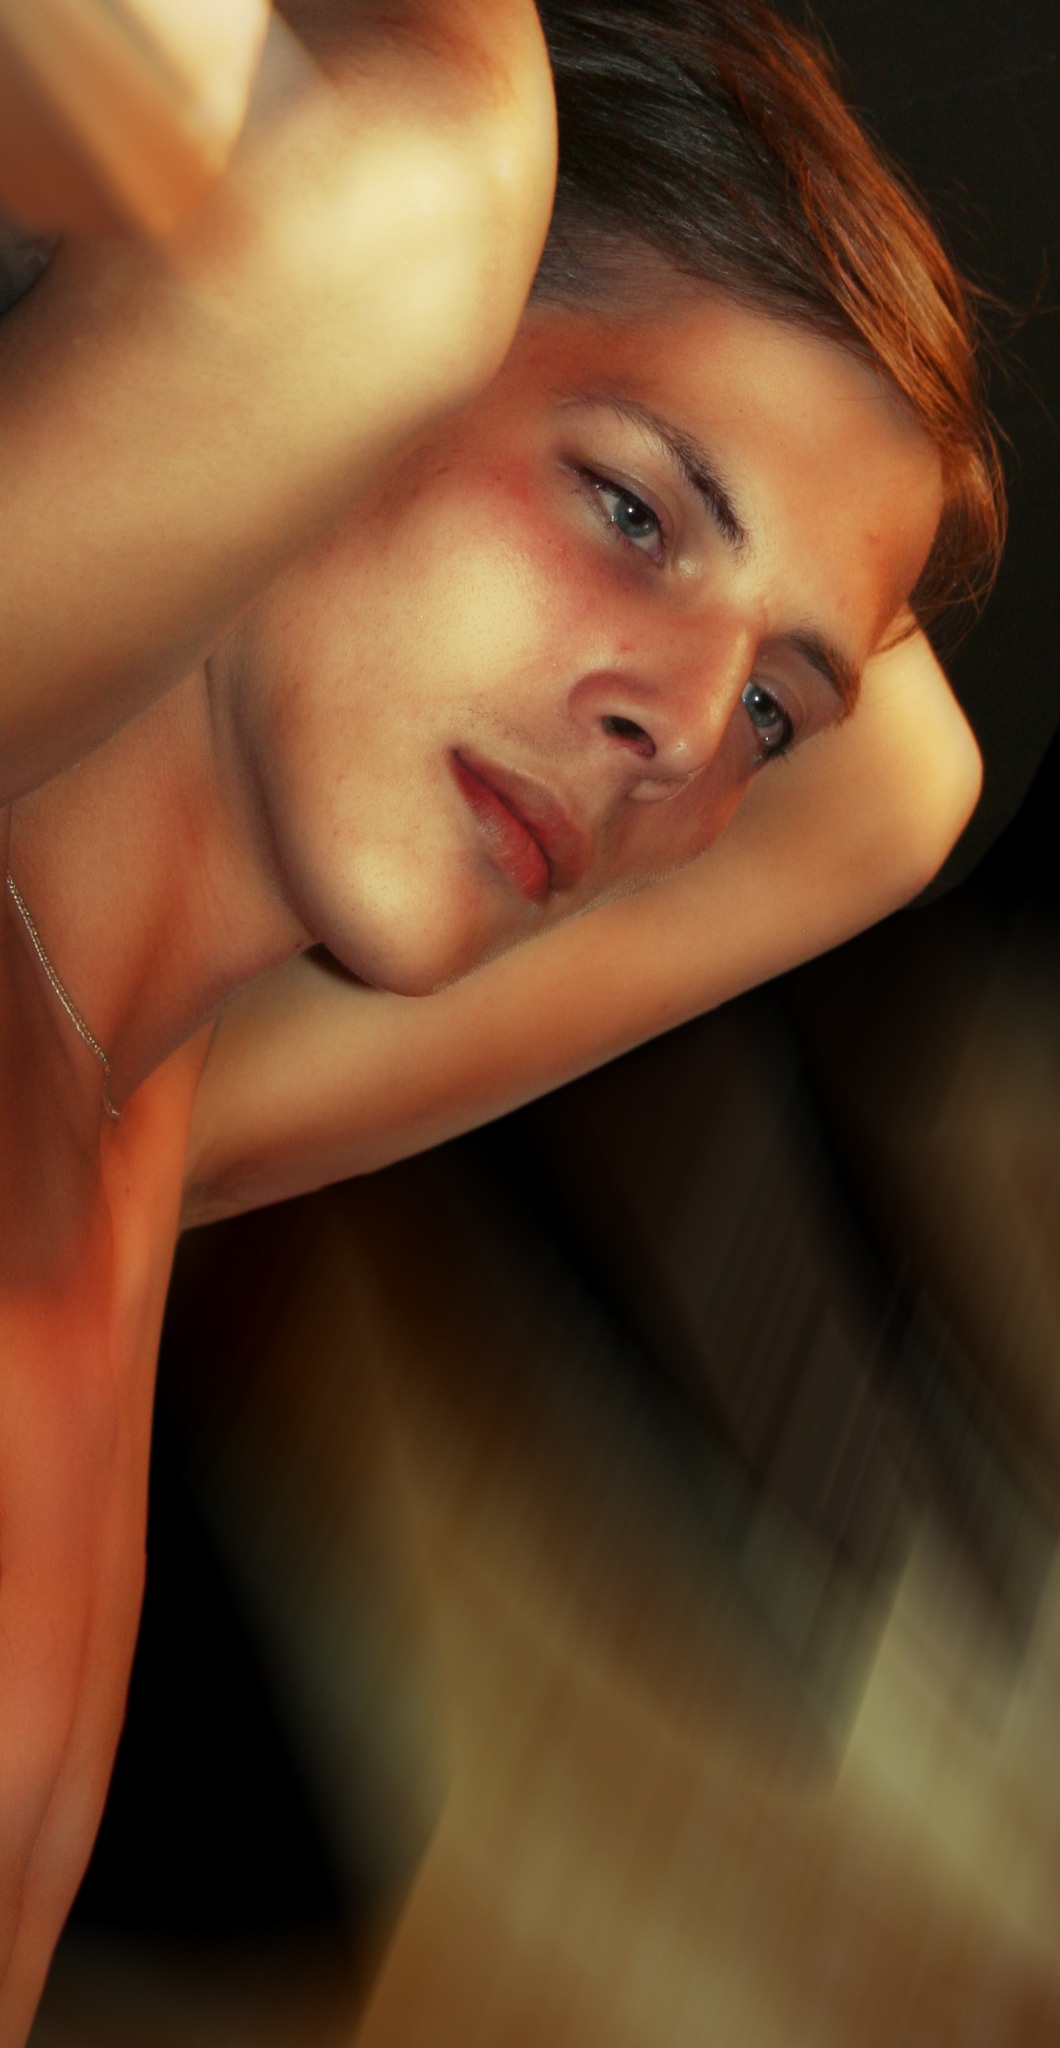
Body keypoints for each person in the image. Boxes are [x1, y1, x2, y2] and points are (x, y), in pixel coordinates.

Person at [0, 0, 1001, 2035]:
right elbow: (431, 163)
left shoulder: (146, 1107)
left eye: (765, 704)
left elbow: (899, 793)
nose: (681, 740)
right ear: (368, 357)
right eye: (631, 510)